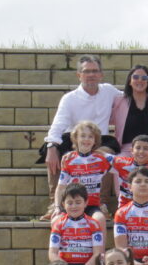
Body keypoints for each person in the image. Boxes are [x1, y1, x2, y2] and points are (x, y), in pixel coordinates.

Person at [41, 55, 123, 219]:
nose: (91, 75)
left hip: (100, 139)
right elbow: (58, 125)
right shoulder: (69, 99)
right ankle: (56, 205)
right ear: (79, 75)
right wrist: (51, 147)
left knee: (105, 155)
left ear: (101, 74)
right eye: (86, 71)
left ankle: (101, 203)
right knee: (54, 152)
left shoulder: (109, 91)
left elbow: (131, 96)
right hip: (75, 139)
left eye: (95, 71)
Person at [54, 121, 113, 231]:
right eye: (83, 136)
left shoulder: (101, 159)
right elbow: (61, 187)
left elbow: (122, 169)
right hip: (72, 204)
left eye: (90, 136)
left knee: (100, 219)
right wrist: (57, 207)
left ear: (95, 140)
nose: (86, 139)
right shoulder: (68, 159)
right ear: (76, 138)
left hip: (92, 205)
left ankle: (101, 244)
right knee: (56, 220)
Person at [48, 183, 104, 265]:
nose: (74, 206)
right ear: (63, 204)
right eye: (70, 203)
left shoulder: (94, 224)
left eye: (78, 202)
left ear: (86, 203)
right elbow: (52, 254)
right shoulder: (59, 224)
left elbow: (98, 253)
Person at [110, 66, 148, 159]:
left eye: (144, 78)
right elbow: (107, 117)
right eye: (135, 77)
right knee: (117, 163)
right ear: (129, 81)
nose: (140, 80)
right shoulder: (119, 101)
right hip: (127, 150)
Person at [112, 135, 148, 208]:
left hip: (147, 204)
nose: (141, 151)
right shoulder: (121, 162)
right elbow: (102, 156)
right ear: (132, 150)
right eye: (138, 148)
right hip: (124, 204)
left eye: (145, 148)